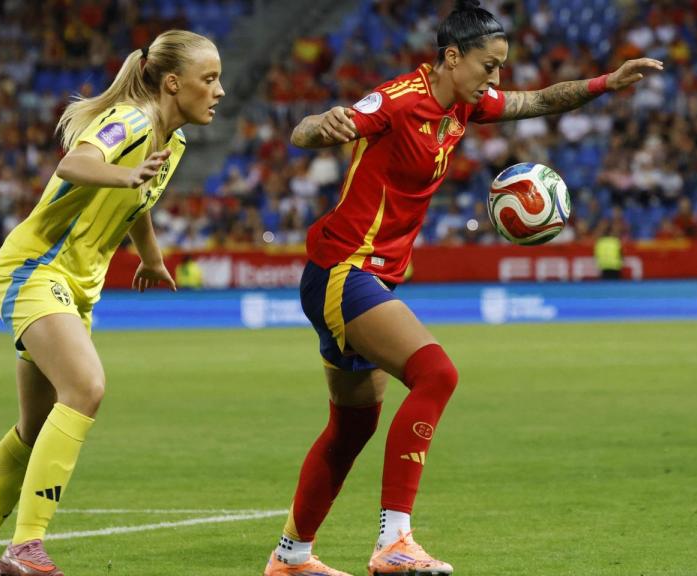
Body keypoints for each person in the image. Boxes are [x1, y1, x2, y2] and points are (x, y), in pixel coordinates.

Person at [263, 2, 663, 575]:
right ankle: (395, 541)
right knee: (437, 373)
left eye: (500, 68)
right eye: (489, 66)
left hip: (360, 275)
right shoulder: (400, 100)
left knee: (353, 426)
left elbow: (541, 100)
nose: (496, 79)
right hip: (344, 270)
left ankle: (291, 558)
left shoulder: (463, 107)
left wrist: (608, 82)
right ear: (452, 58)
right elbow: (315, 130)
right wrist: (318, 125)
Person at [0, 30, 224, 576]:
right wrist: (123, 172)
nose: (219, 91)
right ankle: (27, 547)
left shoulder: (174, 140)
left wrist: (152, 257)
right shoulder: (134, 121)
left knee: (33, 426)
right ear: (172, 83)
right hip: (34, 269)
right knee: (86, 387)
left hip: (77, 286)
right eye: (208, 79)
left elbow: (138, 199)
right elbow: (76, 163)